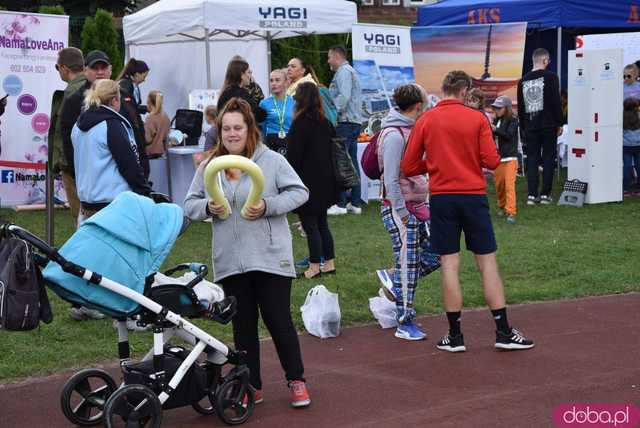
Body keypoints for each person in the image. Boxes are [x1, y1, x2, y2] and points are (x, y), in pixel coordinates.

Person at [184, 98, 311, 408]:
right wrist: (207, 207)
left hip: (270, 256)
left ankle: (296, 380)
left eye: (237, 128)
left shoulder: (271, 161)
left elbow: (300, 192)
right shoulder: (209, 165)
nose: (231, 134)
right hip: (231, 261)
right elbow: (189, 204)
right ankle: (250, 385)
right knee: (243, 328)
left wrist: (268, 206)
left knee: (278, 320)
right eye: (226, 128)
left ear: (249, 128)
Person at [402, 70, 535, 353]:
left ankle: (455, 335)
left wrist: (436, 162)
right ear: (464, 91)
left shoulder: (426, 119)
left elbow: (410, 166)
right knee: (487, 263)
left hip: (442, 199)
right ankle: (502, 331)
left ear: (445, 88)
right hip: (472, 197)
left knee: (449, 264)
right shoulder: (477, 118)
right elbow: (491, 159)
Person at [376, 84, 441, 341]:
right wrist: (402, 212)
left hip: (418, 206)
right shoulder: (393, 135)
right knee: (408, 263)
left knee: (440, 251)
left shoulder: (409, 129)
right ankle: (405, 322)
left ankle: (393, 278)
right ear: (417, 107)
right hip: (401, 208)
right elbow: (390, 178)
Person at [72, 78, 151, 221]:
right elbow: (129, 164)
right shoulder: (111, 125)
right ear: (115, 100)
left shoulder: (77, 126)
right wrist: (145, 194)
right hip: (113, 207)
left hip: (86, 206)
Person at [286, 82, 337, 279]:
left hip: (307, 182)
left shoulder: (300, 124)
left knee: (310, 224)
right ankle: (329, 263)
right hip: (326, 180)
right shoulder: (325, 122)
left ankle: (314, 266)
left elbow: (293, 157)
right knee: (322, 223)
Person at [517, 48, 563, 206]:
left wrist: (523, 126)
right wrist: (560, 122)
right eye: (548, 61)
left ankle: (531, 195)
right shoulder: (551, 77)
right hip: (549, 124)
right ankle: (545, 195)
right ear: (544, 60)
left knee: (532, 159)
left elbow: (521, 107)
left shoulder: (522, 80)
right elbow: (556, 101)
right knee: (549, 158)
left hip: (530, 125)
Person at [50, 47, 86, 225]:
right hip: (81, 164)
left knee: (81, 217)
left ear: (64, 68)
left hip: (73, 166)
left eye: (57, 68)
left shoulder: (73, 91)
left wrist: (66, 165)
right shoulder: (86, 87)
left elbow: (67, 133)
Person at [327, 46, 364, 215]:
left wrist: (331, 112)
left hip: (345, 123)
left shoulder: (343, 72)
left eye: (329, 57)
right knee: (352, 163)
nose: (328, 61)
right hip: (353, 123)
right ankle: (355, 204)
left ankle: (341, 204)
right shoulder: (349, 71)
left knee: (340, 162)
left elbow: (344, 96)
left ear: (336, 57)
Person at [117, 58, 150, 178]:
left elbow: (134, 107)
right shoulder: (125, 86)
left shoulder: (133, 86)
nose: (145, 79)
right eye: (144, 76)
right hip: (131, 130)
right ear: (136, 74)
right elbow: (129, 109)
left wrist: (145, 109)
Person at [491, 96, 519, 224]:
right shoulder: (497, 120)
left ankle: (511, 212)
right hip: (498, 158)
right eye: (495, 107)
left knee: (509, 186)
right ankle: (501, 206)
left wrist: (495, 129)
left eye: (499, 108)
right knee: (499, 186)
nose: (496, 110)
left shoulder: (513, 120)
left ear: (506, 108)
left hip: (510, 158)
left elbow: (508, 135)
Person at [260, 69, 295, 156]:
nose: (274, 83)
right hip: (271, 142)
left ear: (286, 82)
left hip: (290, 141)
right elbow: (261, 128)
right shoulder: (264, 103)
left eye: (277, 80)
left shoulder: (294, 102)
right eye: (271, 80)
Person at [143, 90, 171, 159]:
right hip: (163, 153)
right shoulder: (165, 117)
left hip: (150, 155)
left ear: (149, 102)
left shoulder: (150, 118)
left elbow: (147, 139)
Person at [623, 97, 640, 197]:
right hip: (638, 145)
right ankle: (638, 188)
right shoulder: (638, 115)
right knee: (638, 167)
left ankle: (626, 189)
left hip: (626, 146)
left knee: (627, 167)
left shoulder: (621, 117)